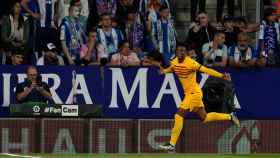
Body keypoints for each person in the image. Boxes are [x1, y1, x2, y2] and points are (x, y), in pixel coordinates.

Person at [150, 43, 240, 151]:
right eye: (179, 50)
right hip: (191, 94)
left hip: (194, 94)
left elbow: (206, 70)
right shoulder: (174, 62)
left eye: (183, 50)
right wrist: (164, 71)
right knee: (204, 118)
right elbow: (172, 69)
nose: (181, 52)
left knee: (179, 114)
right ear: (176, 52)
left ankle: (171, 144)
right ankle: (230, 116)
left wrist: (222, 76)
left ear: (186, 52)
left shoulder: (191, 63)